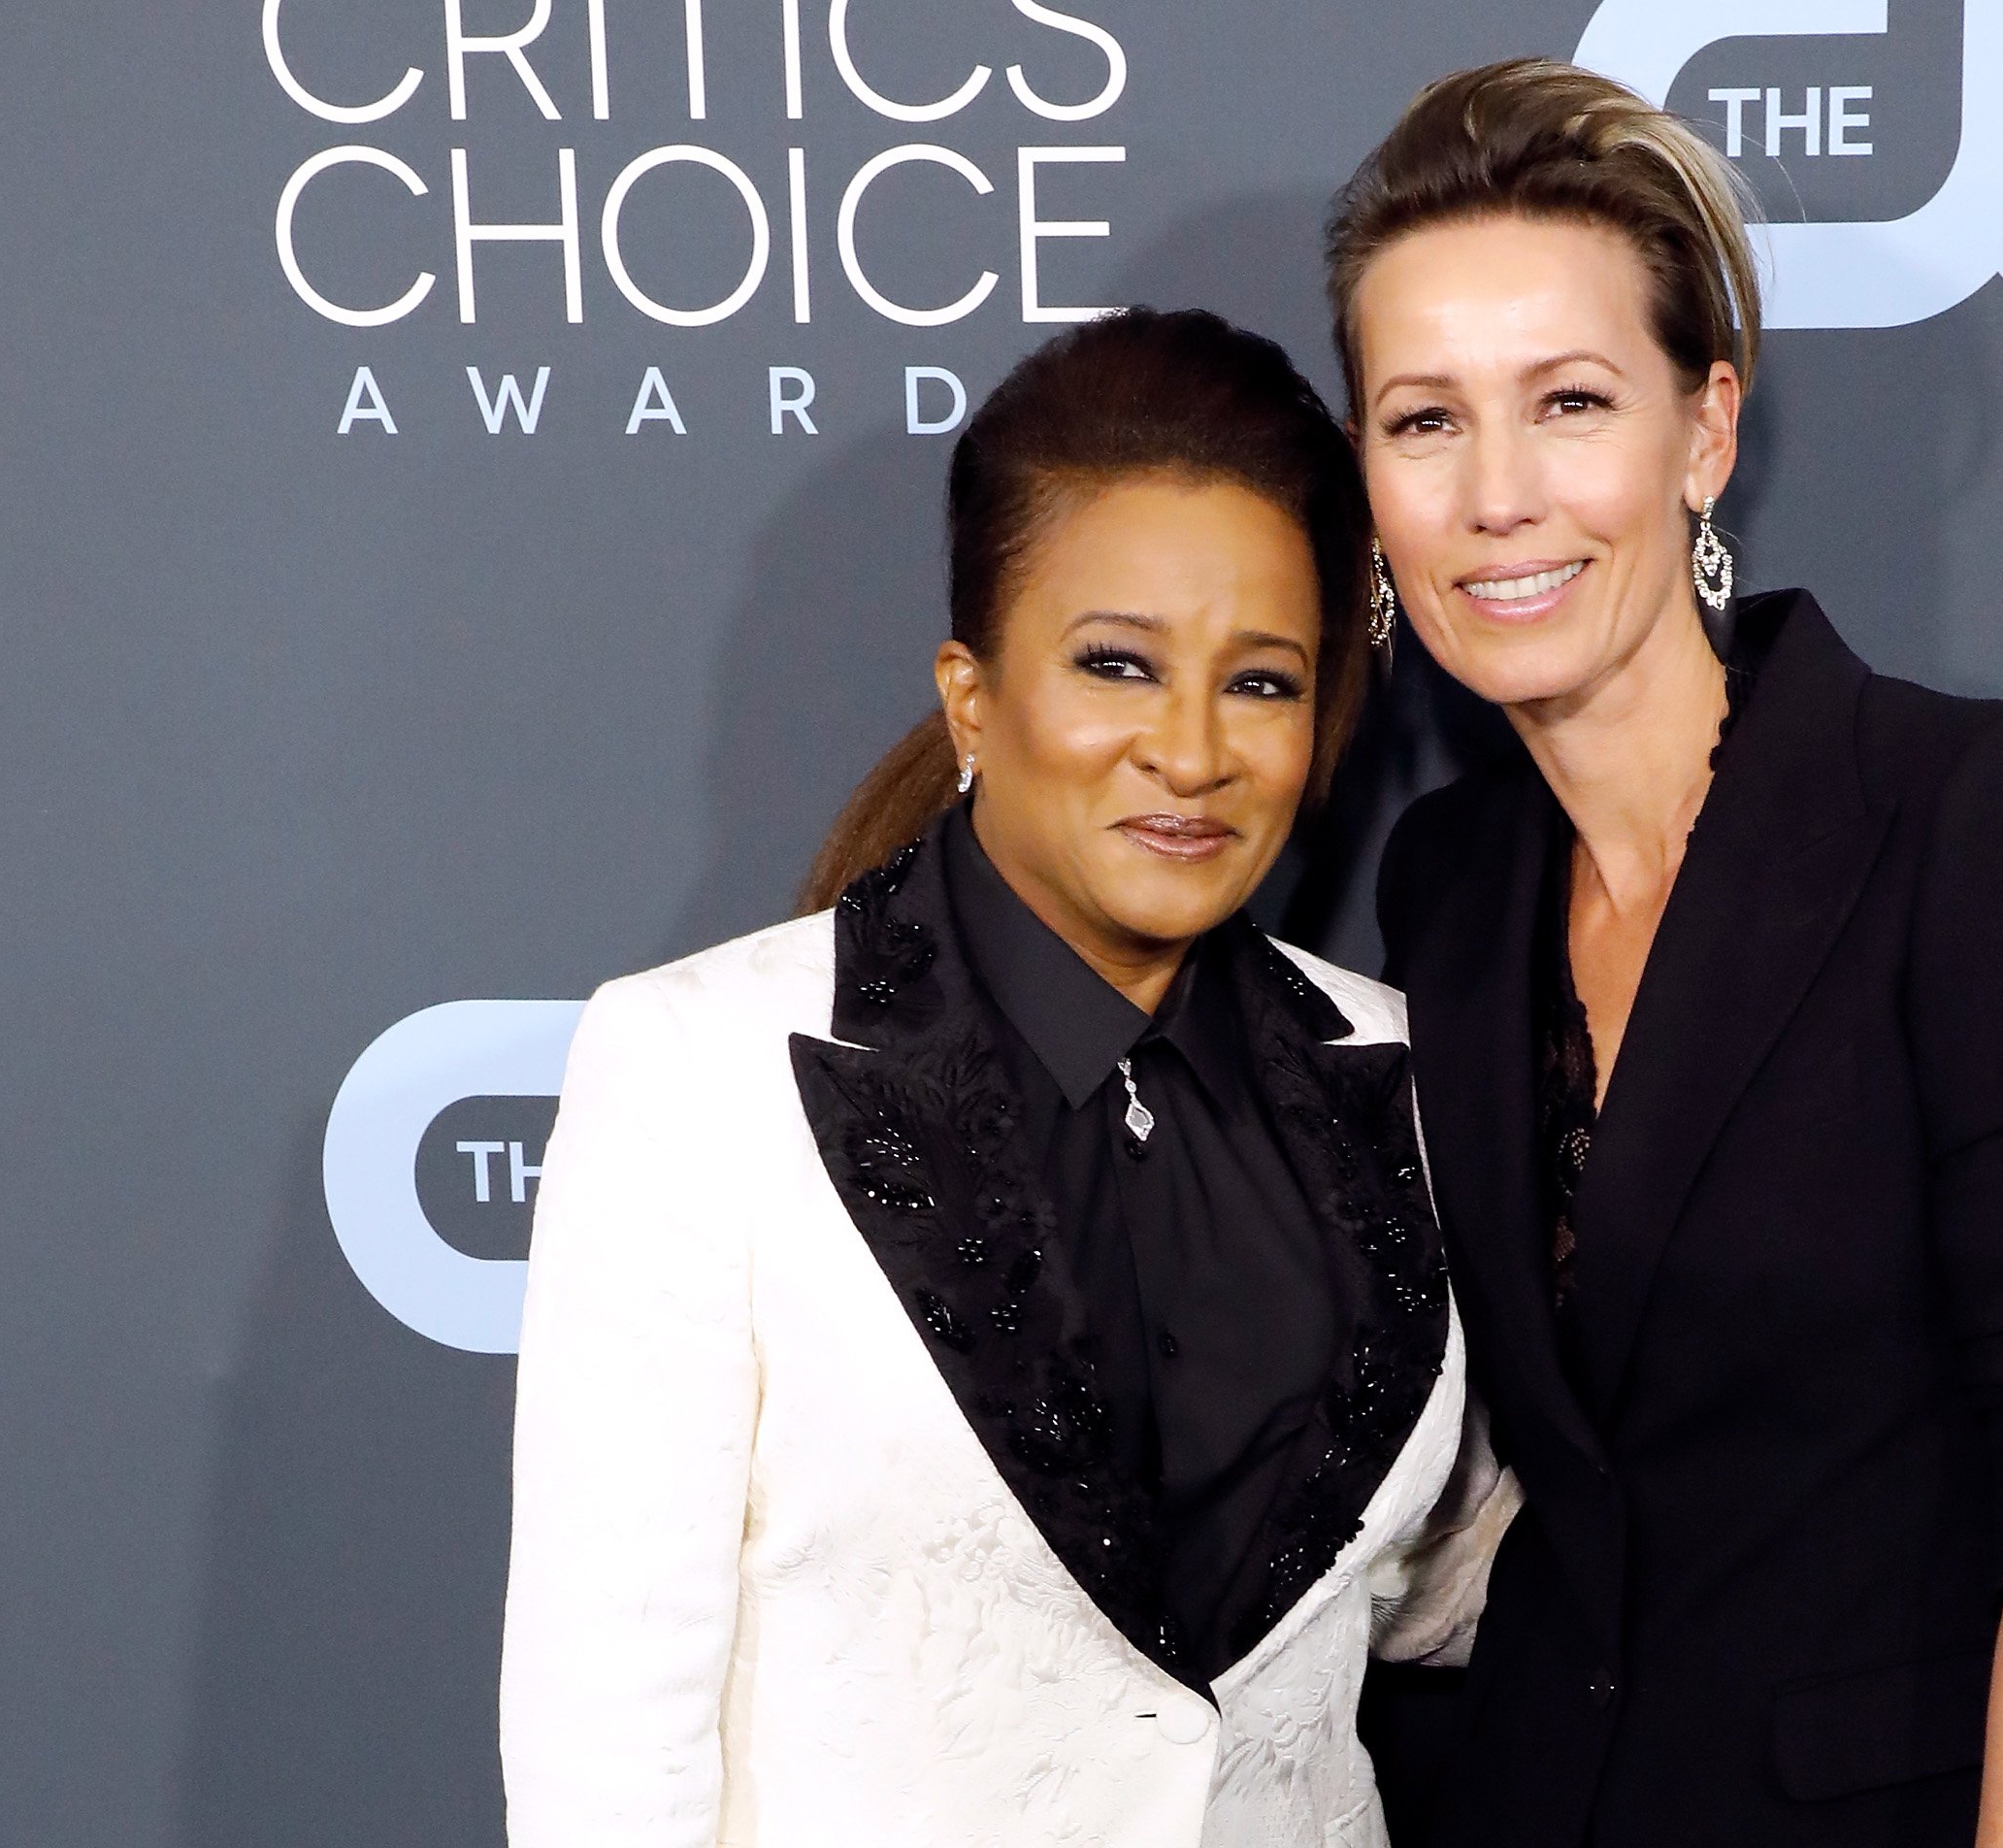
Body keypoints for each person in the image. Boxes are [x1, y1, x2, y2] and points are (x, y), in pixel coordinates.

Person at [1330, 62, 2003, 1848]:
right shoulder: (1448, 880)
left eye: (1569, 402)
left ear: (1706, 432)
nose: (1498, 494)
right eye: (1425, 420)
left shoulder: (1975, 815)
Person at [500, 310, 1472, 1848]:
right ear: (971, 696)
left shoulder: (1413, 1081)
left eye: (1264, 683)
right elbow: (609, 1755)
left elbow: (1444, 1592)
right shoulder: (695, 1075)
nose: (1192, 750)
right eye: (1116, 665)